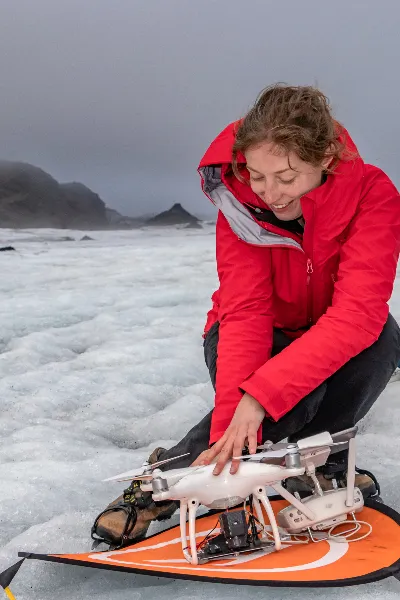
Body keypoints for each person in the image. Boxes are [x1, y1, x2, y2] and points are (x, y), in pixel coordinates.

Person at [92, 84, 400, 549]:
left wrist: (259, 399)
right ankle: (164, 479)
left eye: (287, 177)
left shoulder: (372, 194)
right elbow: (246, 311)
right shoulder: (239, 206)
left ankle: (320, 466)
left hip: (333, 327)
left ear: (327, 160)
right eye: (257, 175)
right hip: (251, 329)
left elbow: (357, 314)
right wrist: (236, 420)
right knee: (288, 402)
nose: (269, 193)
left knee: (381, 344)